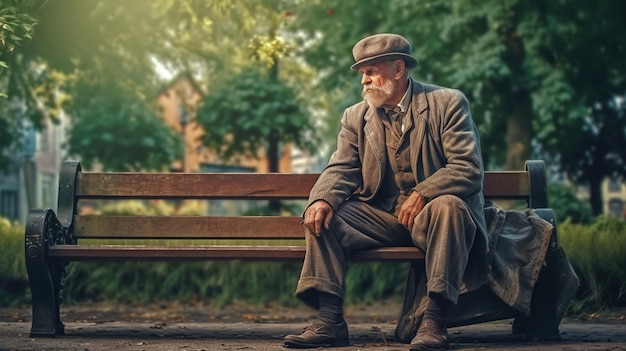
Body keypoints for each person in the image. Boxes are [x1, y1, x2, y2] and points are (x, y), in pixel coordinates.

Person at [283, 33, 490, 351]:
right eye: (362, 73)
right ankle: (330, 322)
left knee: (450, 205)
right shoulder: (355, 116)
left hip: (434, 217)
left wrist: (423, 193)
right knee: (325, 215)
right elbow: (342, 168)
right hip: (381, 217)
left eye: (371, 71)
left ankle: (434, 322)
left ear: (398, 69)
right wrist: (322, 198)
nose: (364, 80)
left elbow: (467, 168)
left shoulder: (447, 103)